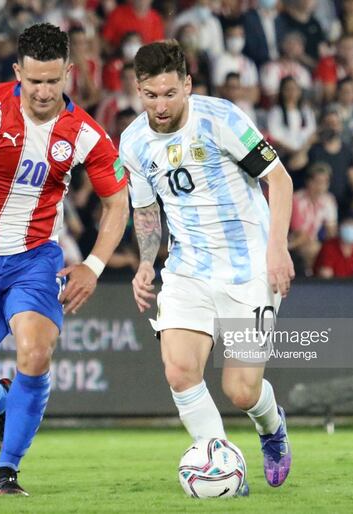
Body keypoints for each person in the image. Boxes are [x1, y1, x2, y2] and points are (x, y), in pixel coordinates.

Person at [0, 23, 128, 495]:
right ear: (18, 71)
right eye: (33, 80)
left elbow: (117, 202)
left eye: (52, 81)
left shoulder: (85, 135)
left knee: (35, 352)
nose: (42, 91)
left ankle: (7, 469)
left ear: (68, 75)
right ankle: (1, 404)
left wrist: (93, 265)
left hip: (35, 259)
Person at [121, 41, 293, 490]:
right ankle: (221, 467)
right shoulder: (134, 142)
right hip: (187, 269)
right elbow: (145, 211)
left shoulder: (221, 119)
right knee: (179, 370)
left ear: (188, 85)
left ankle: (271, 427)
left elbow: (279, 178)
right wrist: (144, 263)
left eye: (170, 93)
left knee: (242, 391)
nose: (160, 105)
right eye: (150, 95)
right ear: (138, 90)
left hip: (249, 269)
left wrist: (278, 249)